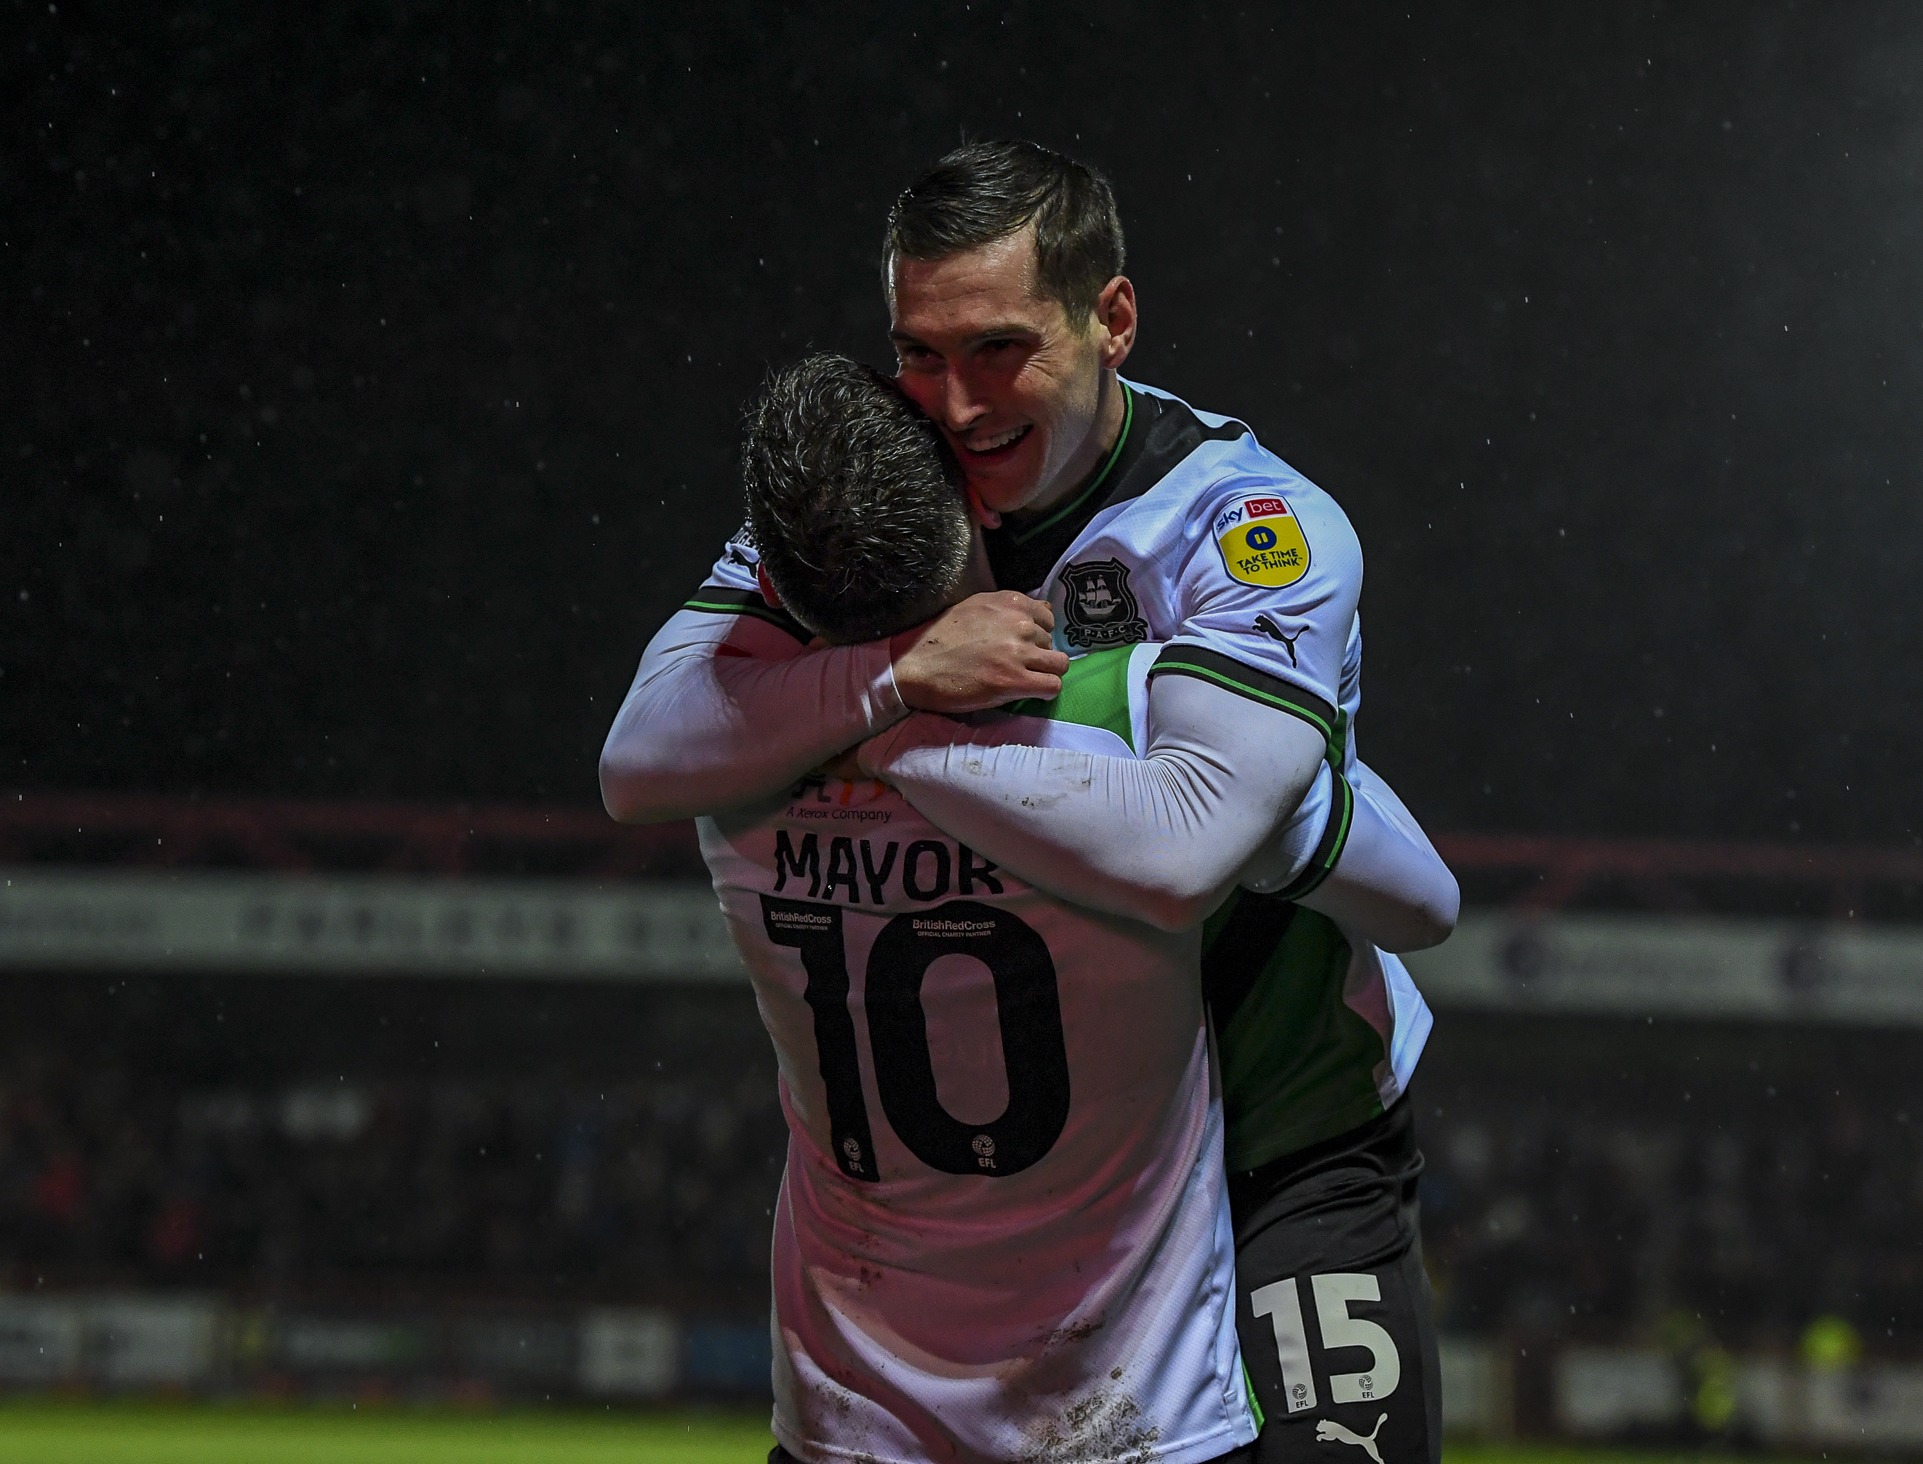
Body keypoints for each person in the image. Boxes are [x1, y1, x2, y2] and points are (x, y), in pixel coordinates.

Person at [602, 141, 1454, 1464]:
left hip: (1281, 1128)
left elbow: (1204, 852)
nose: (951, 403)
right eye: (917, 354)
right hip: (1065, 1186)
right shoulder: (879, 506)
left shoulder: (1243, 526)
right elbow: (643, 754)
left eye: (996, 350)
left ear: (1112, 319)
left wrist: (871, 727)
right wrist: (898, 677)